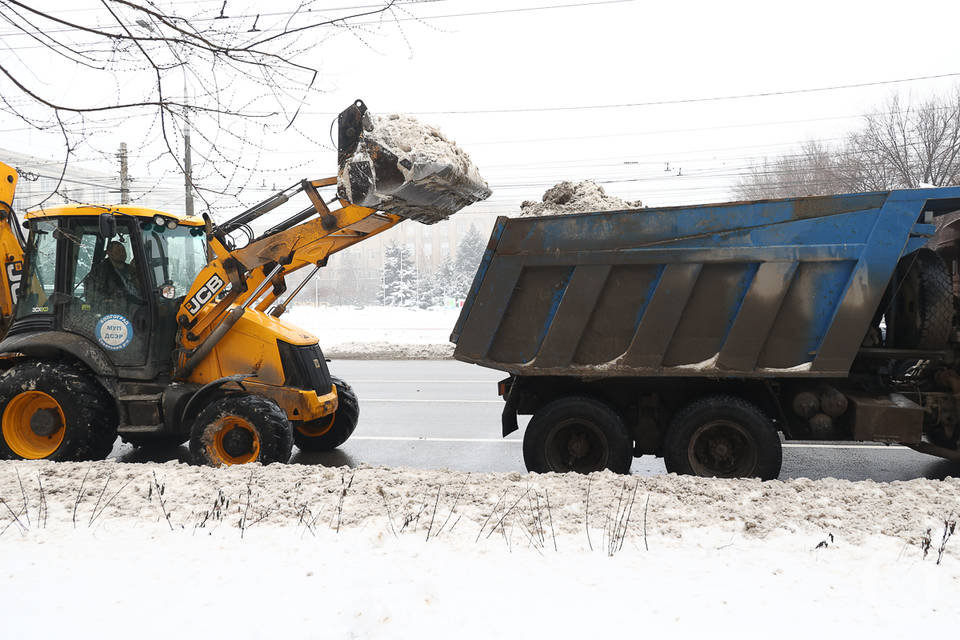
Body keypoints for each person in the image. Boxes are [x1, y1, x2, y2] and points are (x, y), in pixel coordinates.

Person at [86, 240, 143, 312]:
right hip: (110, 310)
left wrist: (136, 273)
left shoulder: (131, 269)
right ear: (109, 253)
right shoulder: (100, 272)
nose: (122, 253)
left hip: (135, 305)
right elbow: (93, 296)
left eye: (123, 250)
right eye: (118, 250)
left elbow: (139, 289)